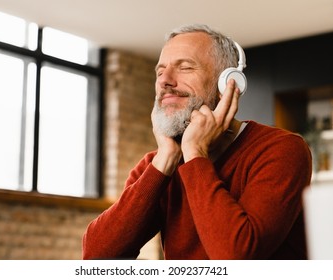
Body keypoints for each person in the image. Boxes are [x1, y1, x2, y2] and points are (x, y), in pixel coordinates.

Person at [82, 24, 312, 260]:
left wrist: (195, 153)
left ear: (227, 84)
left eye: (185, 67)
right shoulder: (159, 163)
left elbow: (236, 259)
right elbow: (96, 257)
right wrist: (165, 160)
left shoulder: (281, 149)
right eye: (160, 72)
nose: (165, 81)